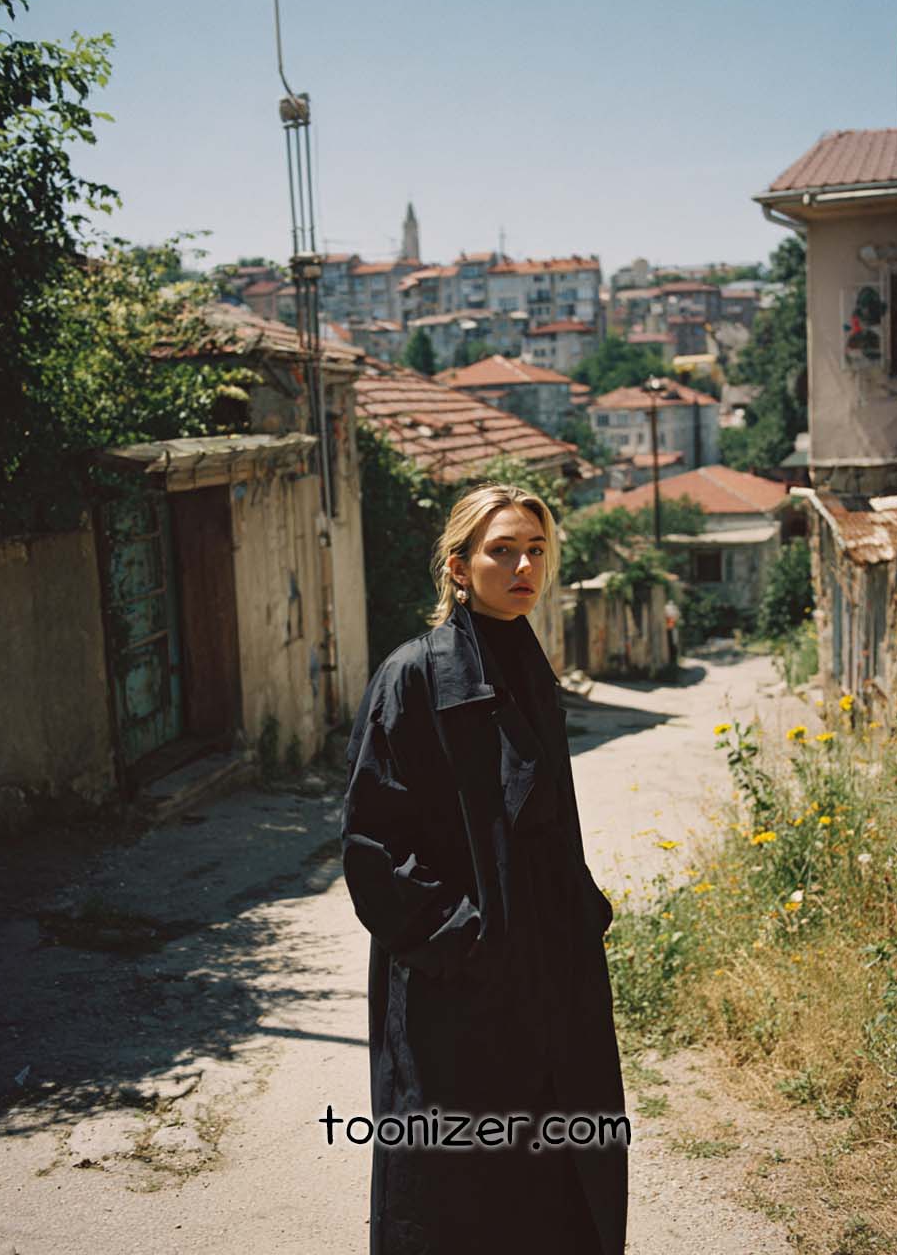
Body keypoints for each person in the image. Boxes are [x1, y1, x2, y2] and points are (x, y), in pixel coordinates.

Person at [342, 482, 628, 1255]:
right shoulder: (413, 677)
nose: (524, 566)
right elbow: (372, 846)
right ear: (459, 567)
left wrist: (580, 915)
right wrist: (463, 943)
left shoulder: (527, 664)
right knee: (454, 1191)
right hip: (455, 990)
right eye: (503, 550)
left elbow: (545, 825)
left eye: (536, 549)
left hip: (547, 979)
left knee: (557, 1181)